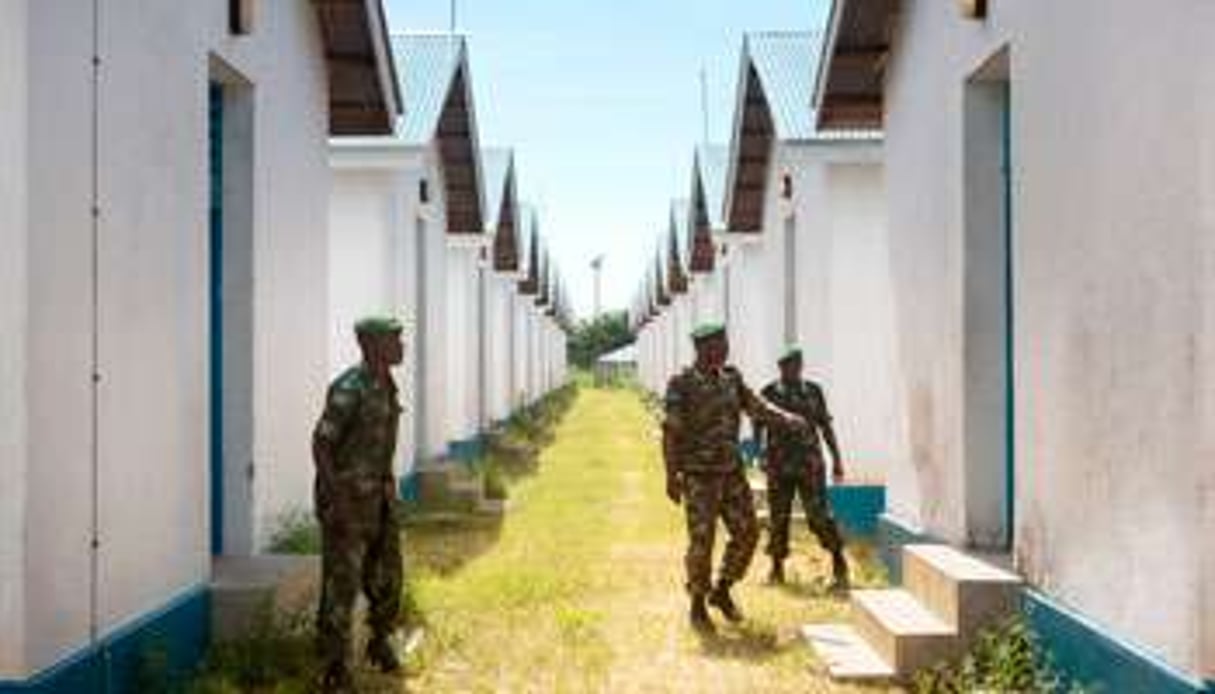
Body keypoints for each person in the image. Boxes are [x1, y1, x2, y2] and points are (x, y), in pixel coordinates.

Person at [662, 323, 807, 632]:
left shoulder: (731, 378)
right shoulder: (681, 383)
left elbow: (757, 406)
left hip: (731, 472)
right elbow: (671, 433)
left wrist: (788, 419)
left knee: (748, 533)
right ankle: (698, 604)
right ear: (702, 348)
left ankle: (722, 589)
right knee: (702, 541)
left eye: (726, 344)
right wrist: (671, 476)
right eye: (719, 344)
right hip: (699, 476)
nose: (725, 350)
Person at [312, 316, 406, 692]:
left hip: (379, 500)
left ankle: (378, 643)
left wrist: (387, 483)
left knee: (388, 577)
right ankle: (334, 668)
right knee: (341, 587)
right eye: (394, 339)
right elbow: (320, 445)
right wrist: (339, 502)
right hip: (347, 504)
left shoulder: (386, 385)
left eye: (401, 338)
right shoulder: (349, 387)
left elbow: (378, 444)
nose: (402, 345)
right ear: (370, 343)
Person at [754, 346, 849, 592]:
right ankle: (776, 569)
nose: (793, 370)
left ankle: (840, 564)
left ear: (801, 366)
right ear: (781, 368)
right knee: (779, 518)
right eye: (787, 366)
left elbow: (826, 427)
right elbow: (758, 425)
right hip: (778, 465)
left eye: (796, 365)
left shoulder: (814, 392)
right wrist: (759, 452)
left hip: (810, 465)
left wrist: (837, 459)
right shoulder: (769, 392)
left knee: (819, 517)